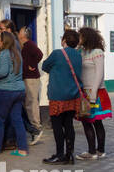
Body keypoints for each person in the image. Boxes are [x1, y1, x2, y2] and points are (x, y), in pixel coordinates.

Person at [41, 28, 83, 164]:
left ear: (64, 40)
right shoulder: (78, 55)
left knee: (57, 126)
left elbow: (45, 66)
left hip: (58, 95)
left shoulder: (57, 54)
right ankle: (69, 154)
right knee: (69, 124)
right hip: (73, 95)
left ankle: (59, 153)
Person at [0, 30, 28, 155]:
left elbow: (3, 72)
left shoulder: (4, 54)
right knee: (17, 119)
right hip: (19, 90)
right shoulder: (18, 54)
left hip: (5, 91)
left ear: (5, 42)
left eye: (0, 40)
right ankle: (22, 149)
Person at [78, 27, 107, 159]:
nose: (79, 39)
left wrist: (94, 93)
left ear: (87, 37)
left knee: (96, 121)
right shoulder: (82, 52)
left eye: (81, 36)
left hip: (95, 92)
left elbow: (99, 74)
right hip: (84, 92)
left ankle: (99, 150)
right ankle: (92, 151)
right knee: (86, 121)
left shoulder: (97, 52)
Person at [19, 25, 44, 143]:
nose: (18, 33)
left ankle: (37, 128)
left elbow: (39, 54)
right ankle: (34, 129)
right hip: (26, 78)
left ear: (24, 34)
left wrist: (33, 65)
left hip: (31, 78)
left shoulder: (29, 44)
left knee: (32, 103)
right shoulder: (24, 46)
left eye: (20, 31)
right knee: (28, 103)